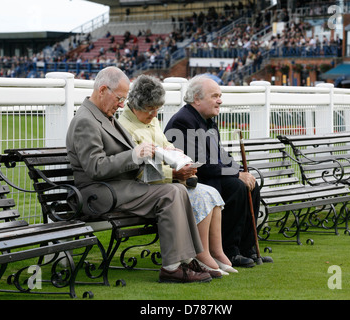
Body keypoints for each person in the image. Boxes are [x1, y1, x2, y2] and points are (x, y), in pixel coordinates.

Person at [65, 66, 212, 283]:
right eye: (120, 98)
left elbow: (131, 156)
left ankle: (188, 258)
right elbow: (95, 168)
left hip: (118, 187)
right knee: (170, 193)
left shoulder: (104, 116)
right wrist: (134, 155)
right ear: (103, 89)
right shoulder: (86, 120)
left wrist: (163, 154)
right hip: (97, 194)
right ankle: (172, 267)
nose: (122, 104)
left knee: (178, 189)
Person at [118, 74, 237, 276]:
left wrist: (180, 157)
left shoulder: (149, 120)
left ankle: (215, 252)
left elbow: (166, 145)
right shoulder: (125, 127)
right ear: (136, 105)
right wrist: (173, 172)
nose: (155, 115)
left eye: (158, 109)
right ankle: (201, 254)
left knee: (211, 194)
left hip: (166, 181)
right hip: (148, 187)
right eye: (150, 110)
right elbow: (140, 171)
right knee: (201, 195)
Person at [164, 74, 273, 267]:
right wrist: (237, 174)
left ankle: (246, 249)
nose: (220, 100)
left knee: (250, 185)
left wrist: (240, 171)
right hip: (193, 182)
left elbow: (220, 156)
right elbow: (201, 163)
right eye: (214, 96)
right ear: (197, 99)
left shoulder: (208, 121)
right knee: (237, 186)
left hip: (211, 177)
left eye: (220, 95)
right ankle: (229, 252)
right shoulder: (184, 121)